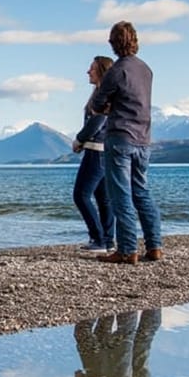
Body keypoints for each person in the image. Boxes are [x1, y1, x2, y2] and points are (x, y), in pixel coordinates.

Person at [89, 21, 163, 264]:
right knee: (142, 192)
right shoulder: (147, 70)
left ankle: (128, 250)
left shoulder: (116, 71)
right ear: (135, 40)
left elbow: (97, 104)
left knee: (121, 195)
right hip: (144, 139)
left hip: (120, 137)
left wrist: (109, 106)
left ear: (113, 43)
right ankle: (154, 246)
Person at [72, 56, 116, 253]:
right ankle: (108, 240)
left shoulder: (102, 95)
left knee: (81, 195)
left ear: (101, 72)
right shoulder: (106, 94)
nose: (88, 72)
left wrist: (79, 139)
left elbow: (97, 122)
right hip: (105, 152)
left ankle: (98, 239)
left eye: (91, 69)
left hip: (96, 152)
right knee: (103, 199)